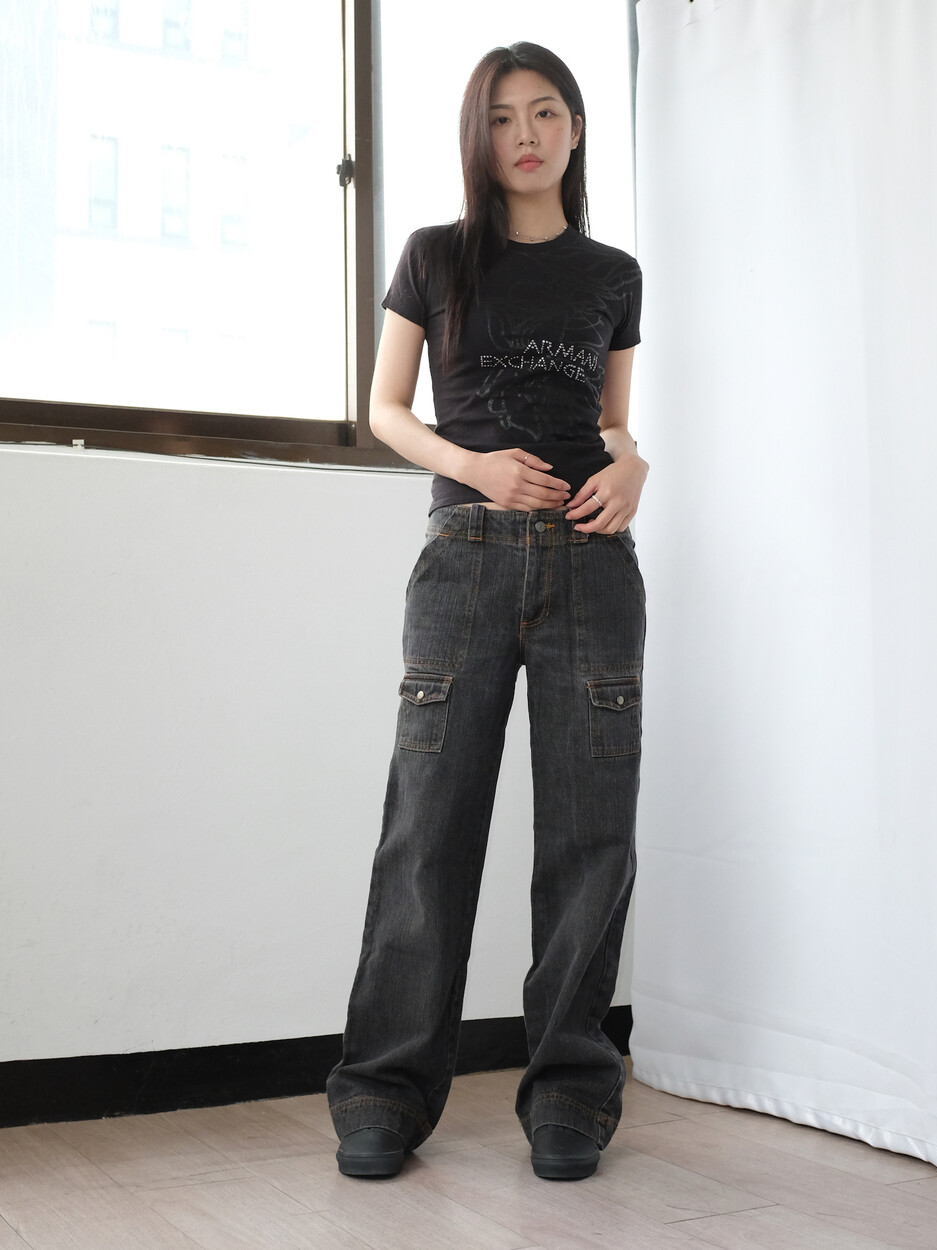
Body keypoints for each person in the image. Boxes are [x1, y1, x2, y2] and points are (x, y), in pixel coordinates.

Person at [326, 40, 647, 1182]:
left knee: (589, 837)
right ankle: (382, 1089)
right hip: (463, 560)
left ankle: (569, 1092)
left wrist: (634, 463)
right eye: (503, 116)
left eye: (546, 112)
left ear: (574, 129)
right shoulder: (434, 255)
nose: (525, 134)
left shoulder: (614, 273)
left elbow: (610, 423)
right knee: (429, 825)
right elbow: (383, 408)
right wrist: (476, 467)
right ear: (478, 134)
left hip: (591, 565)